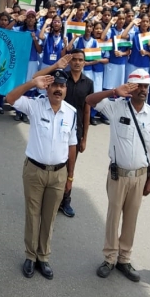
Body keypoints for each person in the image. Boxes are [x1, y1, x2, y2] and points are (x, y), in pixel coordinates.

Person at [86, 69, 150, 283]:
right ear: (130, 88)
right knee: (113, 216)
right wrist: (113, 91)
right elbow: (89, 100)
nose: (143, 90)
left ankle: (124, 259)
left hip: (140, 176)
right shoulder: (116, 107)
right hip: (118, 175)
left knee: (131, 218)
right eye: (139, 86)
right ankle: (109, 258)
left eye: (146, 86)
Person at [6, 71, 77, 280]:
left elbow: (72, 145)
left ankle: (43, 257)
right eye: (54, 85)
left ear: (66, 89)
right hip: (34, 171)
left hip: (58, 174)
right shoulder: (35, 105)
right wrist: (30, 83)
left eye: (62, 86)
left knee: (49, 217)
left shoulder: (71, 112)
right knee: (33, 214)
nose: (58, 89)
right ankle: (30, 256)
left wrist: (70, 177)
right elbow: (10, 99)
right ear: (46, 88)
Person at [38, 50, 93, 217]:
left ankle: (65, 200)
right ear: (69, 62)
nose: (77, 62)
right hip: (55, 127)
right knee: (52, 164)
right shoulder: (60, 78)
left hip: (75, 132)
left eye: (80, 60)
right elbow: (36, 77)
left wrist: (84, 138)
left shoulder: (88, 83)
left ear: (84, 62)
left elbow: (87, 111)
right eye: (74, 59)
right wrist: (56, 65)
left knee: (70, 167)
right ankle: (46, 200)